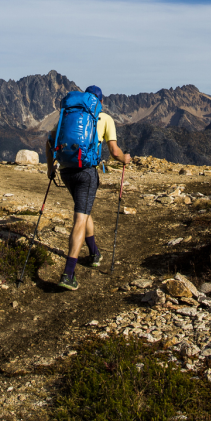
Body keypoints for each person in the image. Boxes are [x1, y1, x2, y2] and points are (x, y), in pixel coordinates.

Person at [47, 85, 132, 290]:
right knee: (80, 219)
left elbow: (50, 141)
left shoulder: (69, 117)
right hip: (87, 173)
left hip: (67, 171)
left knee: (83, 210)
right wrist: (124, 159)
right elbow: (113, 151)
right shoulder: (105, 119)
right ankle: (68, 274)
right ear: (100, 102)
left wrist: (50, 169)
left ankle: (94, 253)